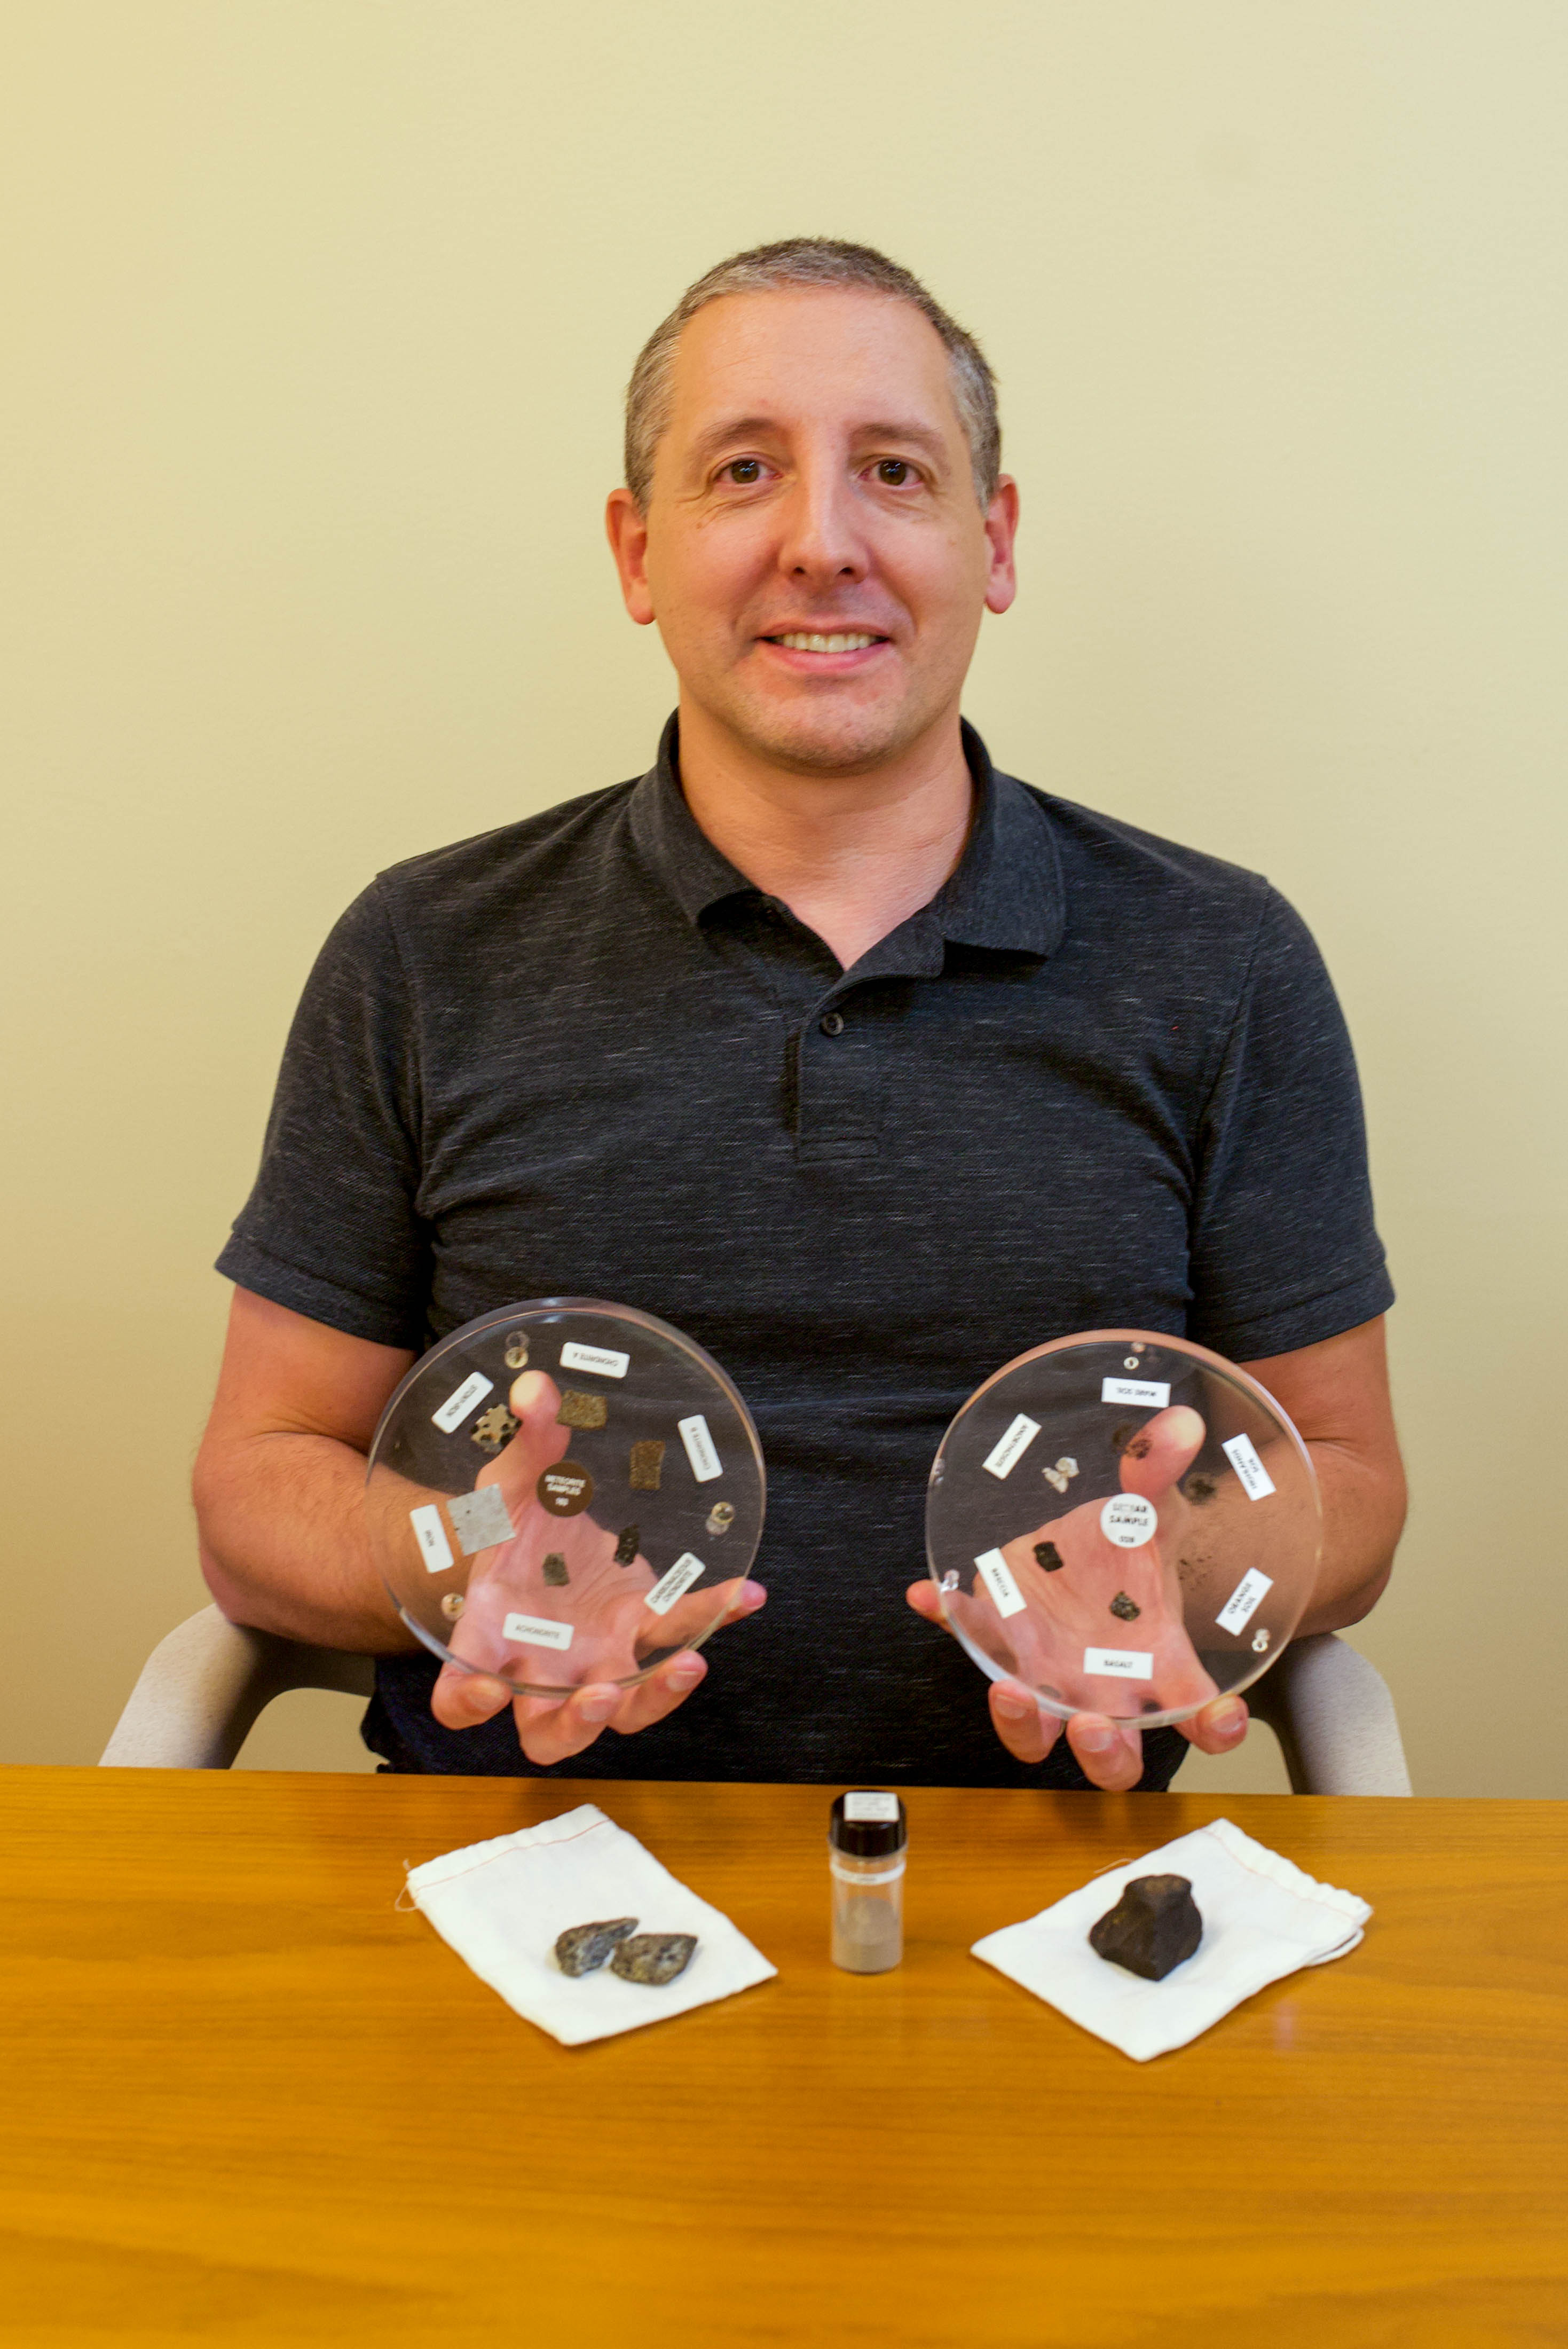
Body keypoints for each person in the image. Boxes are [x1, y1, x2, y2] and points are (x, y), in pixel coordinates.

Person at [193, 239, 1406, 1793]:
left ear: (994, 541)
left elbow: (1348, 1479)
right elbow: (258, 1484)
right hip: (518, 1872)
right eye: (744, 471)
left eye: (894, 472)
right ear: (639, 552)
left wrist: (1162, 1564)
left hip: (1041, 1882)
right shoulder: (425, 950)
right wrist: (484, 1555)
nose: (822, 543)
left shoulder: (1220, 959)